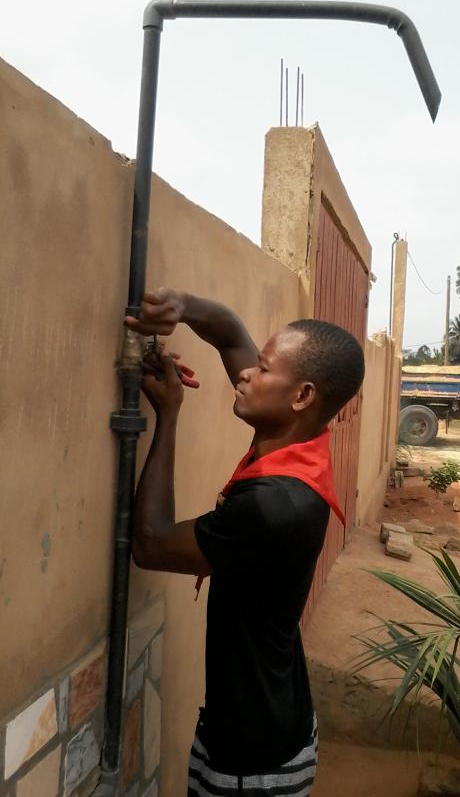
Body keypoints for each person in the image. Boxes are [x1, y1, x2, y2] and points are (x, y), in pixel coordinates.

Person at [126, 288, 365, 797]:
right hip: (264, 727)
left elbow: (150, 544)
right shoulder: (296, 443)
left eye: (262, 369)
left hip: (252, 765)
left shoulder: (273, 505)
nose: (245, 374)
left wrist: (168, 416)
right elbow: (231, 332)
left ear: (301, 396)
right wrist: (180, 309)